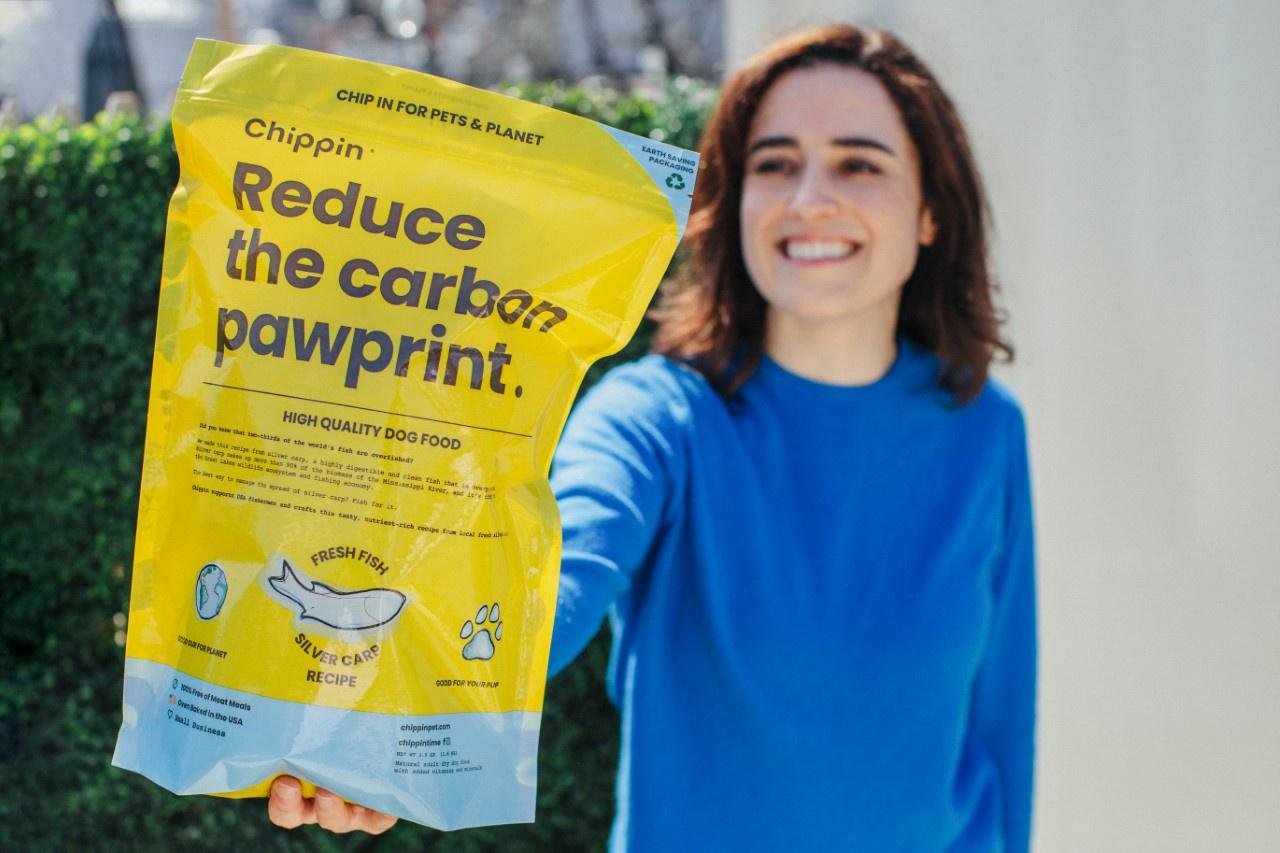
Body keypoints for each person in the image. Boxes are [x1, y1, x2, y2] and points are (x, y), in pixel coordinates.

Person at [268, 24, 1036, 851]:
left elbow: (1000, 722)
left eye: (860, 162)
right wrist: (382, 717)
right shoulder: (656, 418)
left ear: (929, 211)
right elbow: (549, 589)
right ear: (737, 201)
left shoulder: (985, 430)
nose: (809, 196)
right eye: (774, 163)